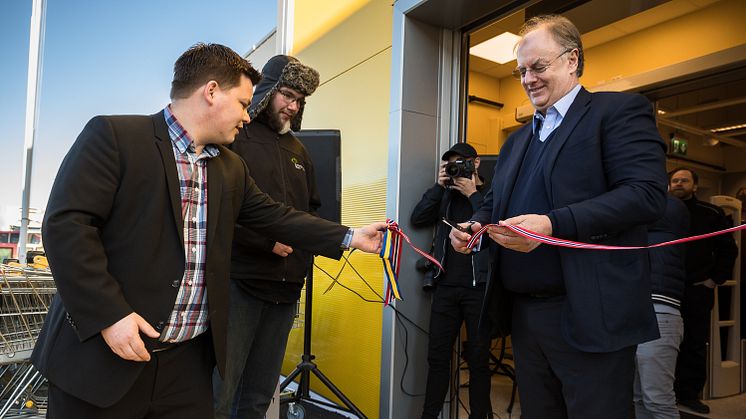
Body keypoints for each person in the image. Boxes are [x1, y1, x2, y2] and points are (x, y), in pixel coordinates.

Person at [31, 43, 386, 419]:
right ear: (212, 92)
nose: (248, 117)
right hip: (106, 357)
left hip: (185, 369)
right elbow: (67, 227)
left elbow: (275, 216)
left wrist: (351, 236)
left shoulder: (230, 167)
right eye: (243, 104)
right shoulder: (116, 137)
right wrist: (109, 315)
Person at [449, 14, 668, 418]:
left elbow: (646, 195)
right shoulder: (516, 143)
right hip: (526, 316)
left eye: (538, 67)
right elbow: (493, 204)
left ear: (572, 60)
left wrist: (553, 225)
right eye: (521, 71)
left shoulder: (617, 112)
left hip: (591, 311)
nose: (528, 79)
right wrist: (473, 226)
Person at [213, 55, 322, 418]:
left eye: (300, 100)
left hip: (286, 290)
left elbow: (311, 213)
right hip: (240, 284)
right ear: (268, 90)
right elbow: (217, 212)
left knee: (260, 396)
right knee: (220, 393)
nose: (293, 106)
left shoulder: (300, 152)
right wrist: (265, 242)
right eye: (287, 95)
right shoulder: (235, 138)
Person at [410, 143, 492, 419]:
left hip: (478, 289)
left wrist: (473, 195)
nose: (457, 169)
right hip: (445, 287)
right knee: (437, 358)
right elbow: (418, 217)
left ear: (476, 163)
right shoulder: (445, 196)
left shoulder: (490, 194)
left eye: (462, 163)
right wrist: (438, 186)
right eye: (451, 165)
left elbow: (494, 227)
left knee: (479, 361)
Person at [669, 167, 738, 414]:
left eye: (684, 180)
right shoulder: (658, 212)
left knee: (694, 343)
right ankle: (663, 392)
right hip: (665, 290)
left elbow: (728, 250)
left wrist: (714, 280)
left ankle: (688, 394)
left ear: (695, 186)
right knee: (661, 343)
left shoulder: (711, 214)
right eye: (675, 180)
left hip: (697, 289)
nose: (679, 184)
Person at [634, 195, 689, 419]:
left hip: (660, 314)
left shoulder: (671, 209)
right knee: (637, 397)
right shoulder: (639, 235)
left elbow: (663, 211)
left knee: (657, 400)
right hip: (636, 315)